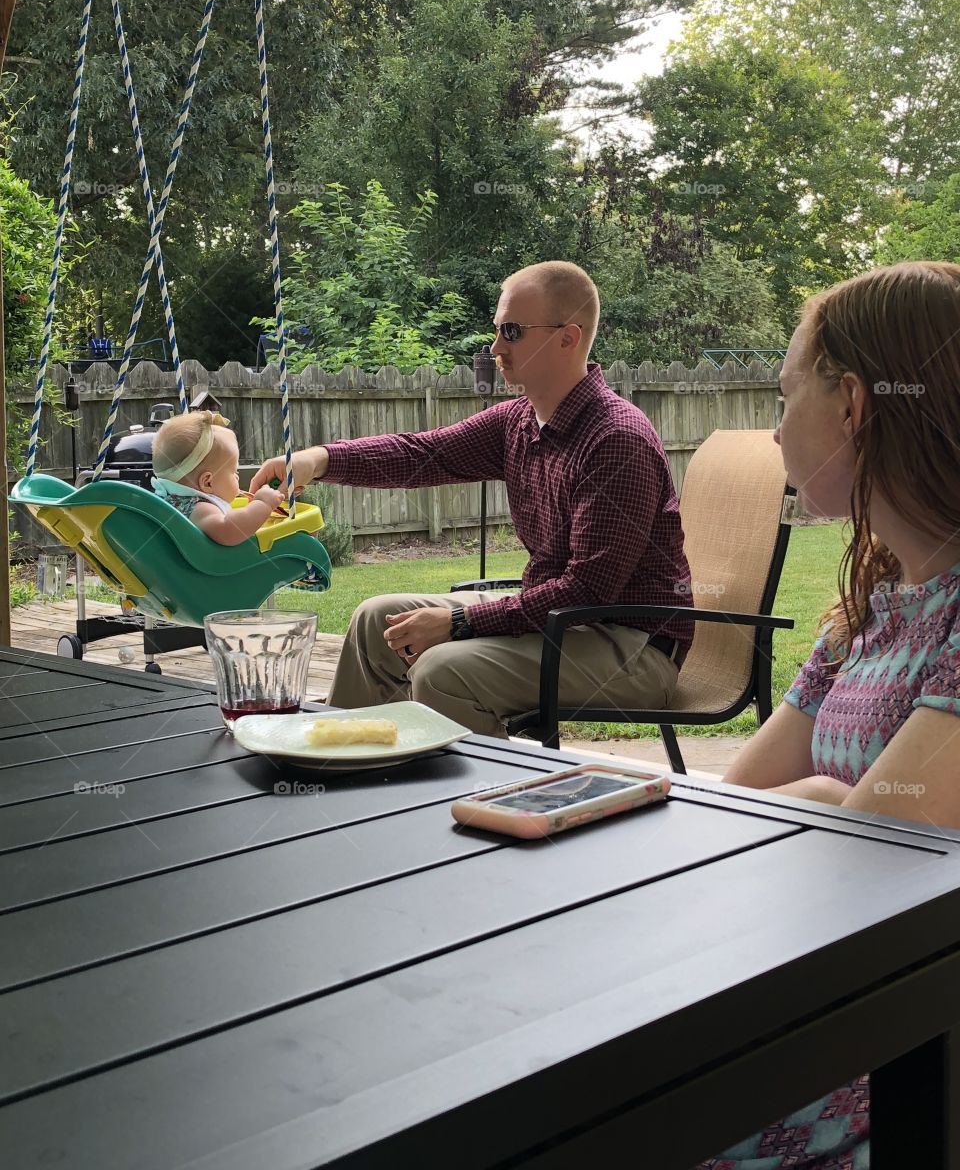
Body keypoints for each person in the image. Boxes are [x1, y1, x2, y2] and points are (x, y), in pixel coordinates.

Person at [700, 260, 960, 1170]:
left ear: (851, 403)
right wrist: (813, 799)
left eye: (784, 398)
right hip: (823, 982)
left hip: (905, 1048)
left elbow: (888, 852)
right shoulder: (877, 603)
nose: (774, 432)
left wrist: (812, 799)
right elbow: (734, 806)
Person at [251, 260, 694, 737]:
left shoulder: (615, 439)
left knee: (443, 670)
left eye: (512, 331)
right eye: (497, 331)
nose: (496, 349)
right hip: (562, 623)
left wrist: (460, 622)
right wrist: (319, 460)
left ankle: (495, 798)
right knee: (374, 621)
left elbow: (586, 590)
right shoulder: (519, 422)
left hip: (631, 647)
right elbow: (425, 453)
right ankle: (347, 759)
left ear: (567, 338)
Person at [152, 410, 283, 546]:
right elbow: (229, 531)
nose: (237, 477)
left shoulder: (170, 500)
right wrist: (263, 504)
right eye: (234, 472)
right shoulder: (199, 507)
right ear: (207, 482)